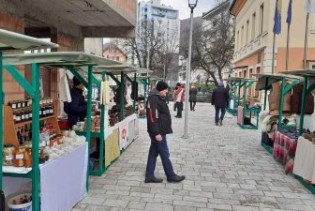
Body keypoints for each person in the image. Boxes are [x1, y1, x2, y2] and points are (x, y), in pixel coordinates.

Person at [145, 81, 185, 183]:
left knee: (153, 152)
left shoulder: (158, 97)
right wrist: (156, 132)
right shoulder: (153, 98)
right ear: (161, 89)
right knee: (164, 152)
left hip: (160, 129)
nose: (167, 91)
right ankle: (170, 175)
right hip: (158, 131)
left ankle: (149, 175)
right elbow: (153, 117)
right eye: (166, 89)